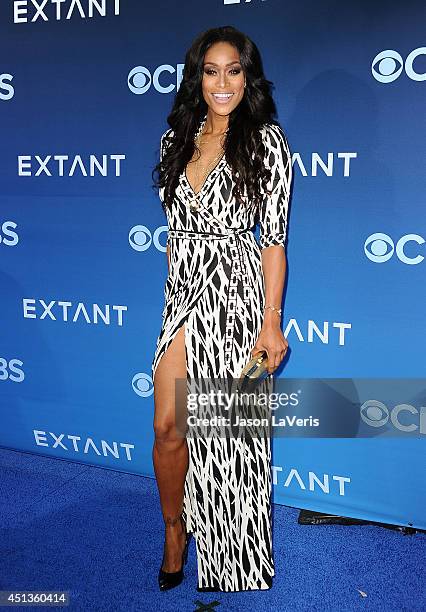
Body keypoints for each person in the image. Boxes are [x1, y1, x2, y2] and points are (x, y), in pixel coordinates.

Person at [151, 25, 292, 592]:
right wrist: (174, 293)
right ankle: (173, 529)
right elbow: (172, 231)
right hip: (184, 294)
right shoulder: (175, 140)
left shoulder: (267, 142)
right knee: (168, 426)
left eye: (233, 70)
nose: (222, 82)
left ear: (247, 76)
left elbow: (274, 240)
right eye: (211, 71)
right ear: (197, 78)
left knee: (230, 433)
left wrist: (271, 320)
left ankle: (229, 549)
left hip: (237, 294)